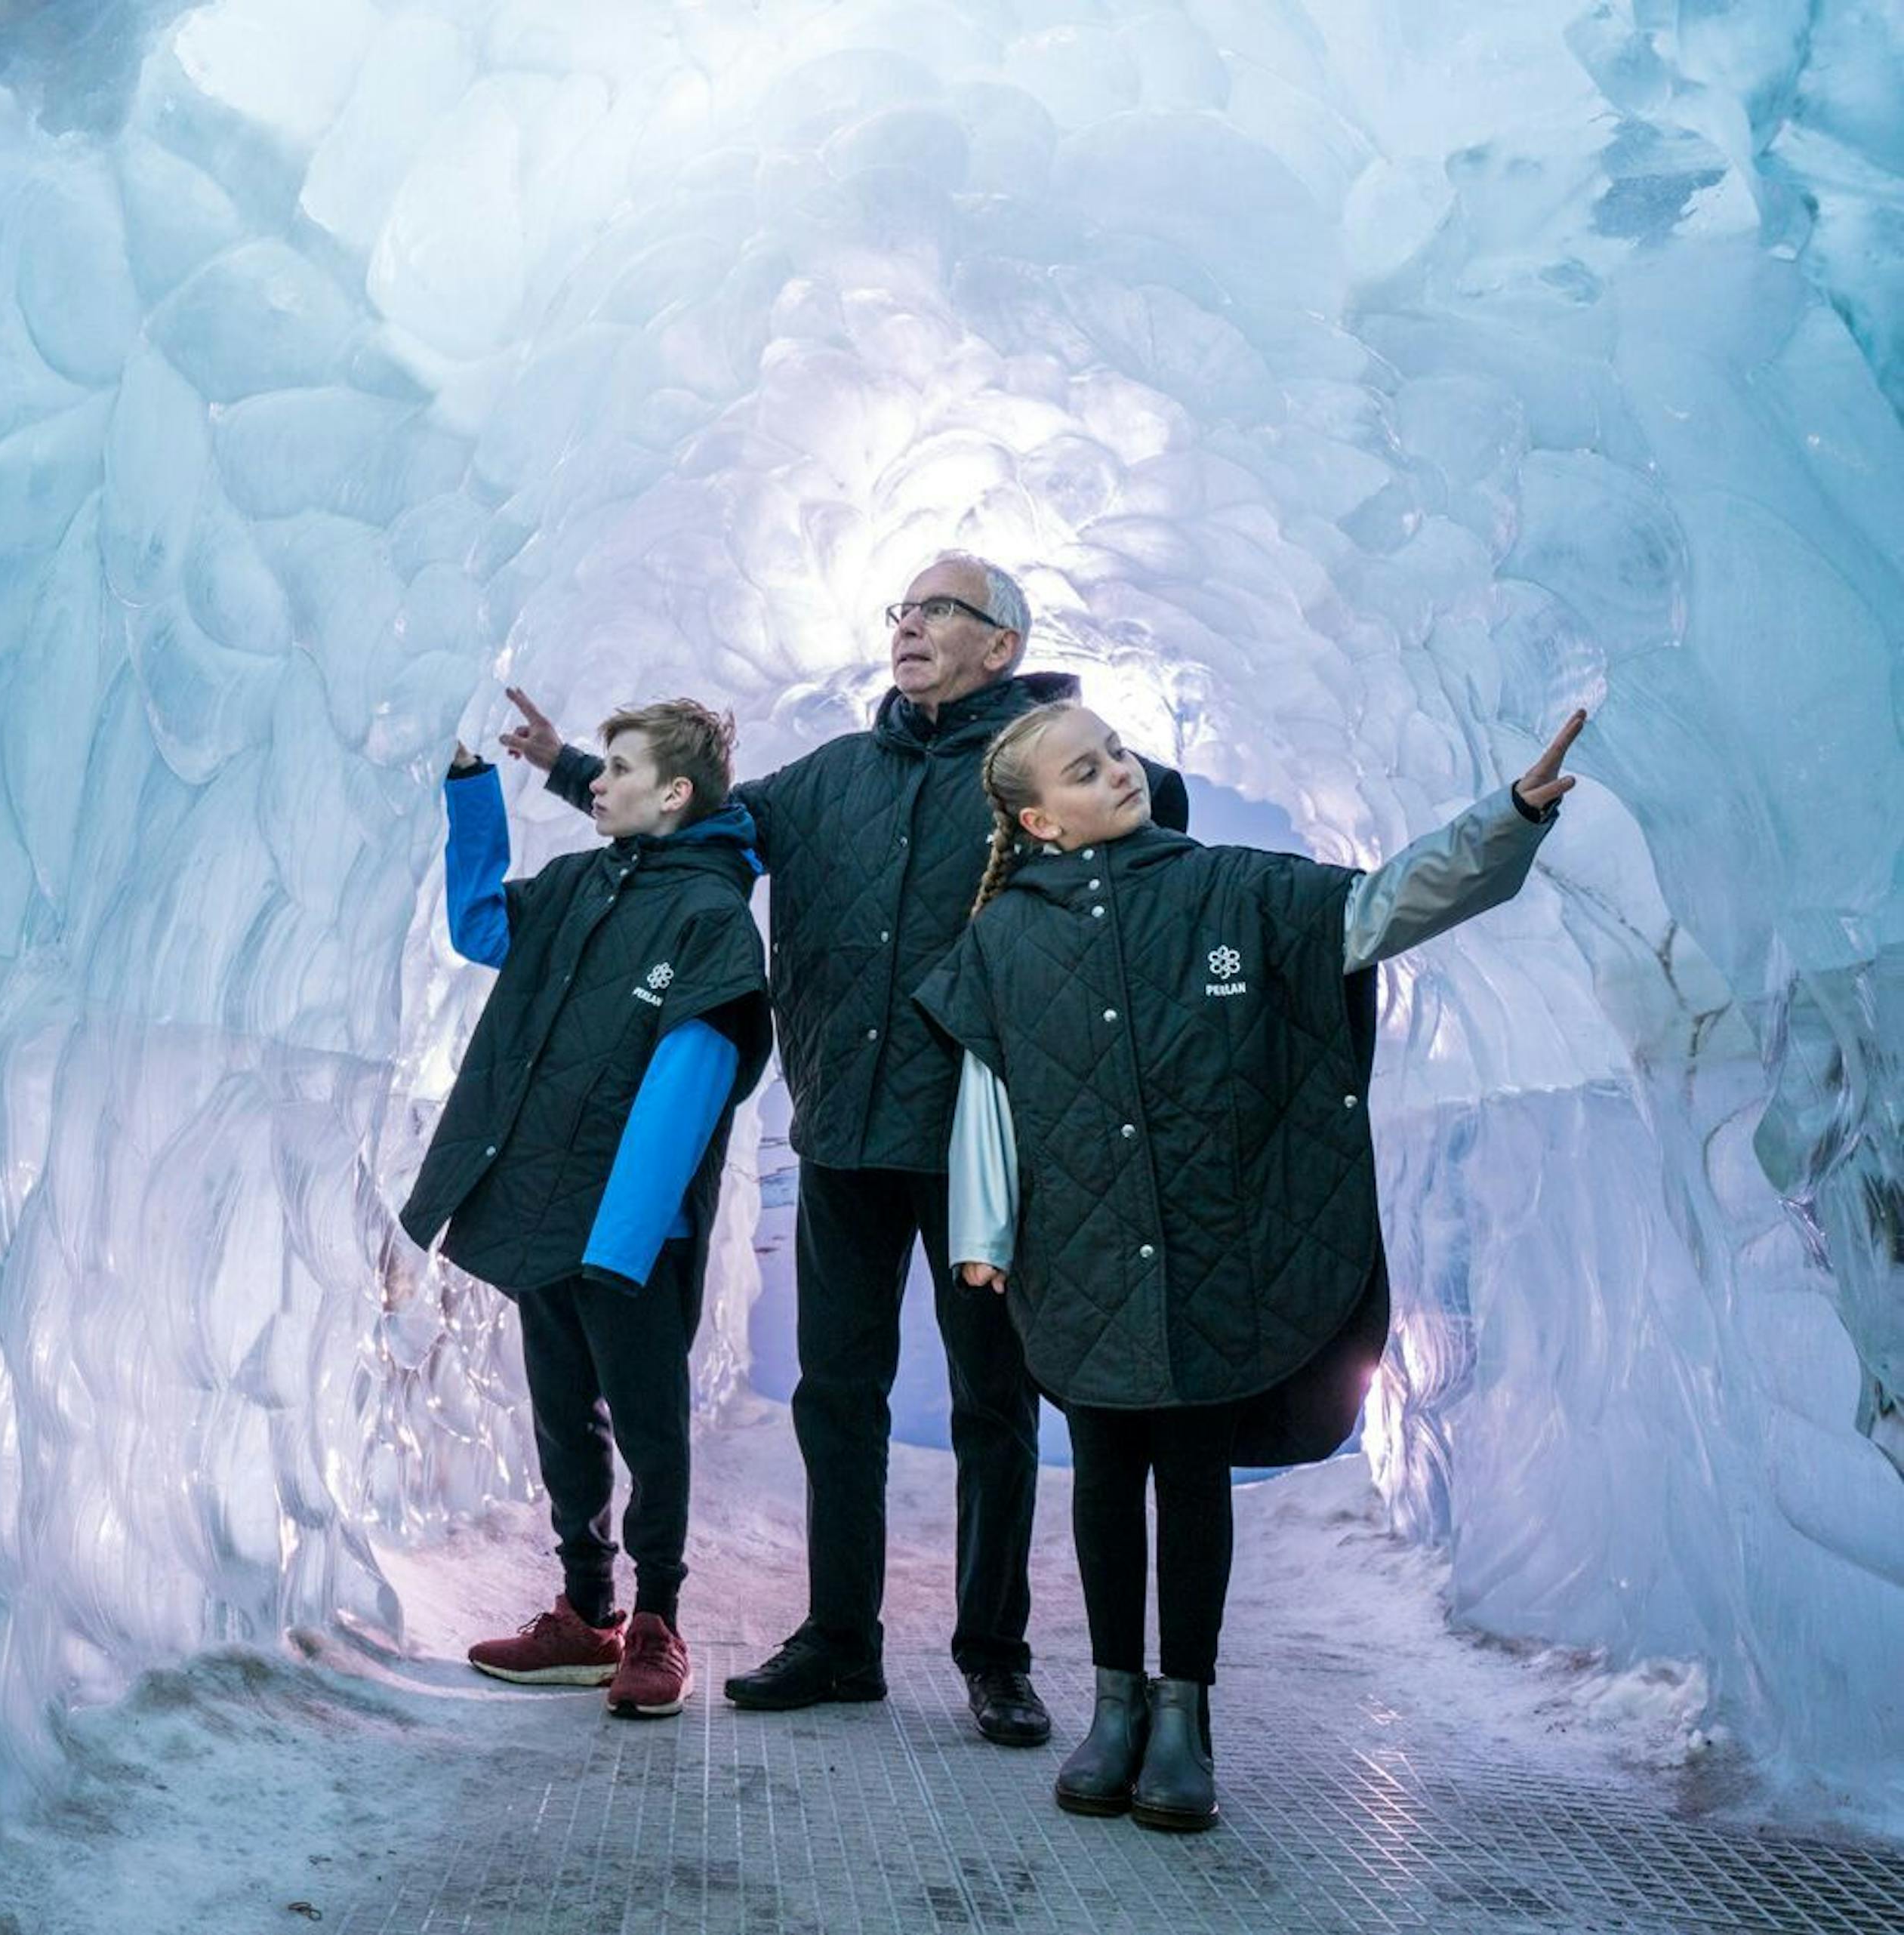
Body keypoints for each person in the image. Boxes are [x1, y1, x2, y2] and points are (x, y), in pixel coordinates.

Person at [500, 554, 1186, 1742]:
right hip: (848, 1134)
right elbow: (697, 825)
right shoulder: (826, 782)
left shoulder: (1034, 765)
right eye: (903, 611)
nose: (910, 627)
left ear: (1002, 646)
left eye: (939, 613)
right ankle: (839, 1640)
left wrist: (1077, 745)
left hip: (980, 1140)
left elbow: (1149, 808)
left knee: (993, 1405)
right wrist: (573, 768)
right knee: (838, 1397)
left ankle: (993, 1655)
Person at [919, 703, 1590, 1831]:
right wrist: (983, 1236)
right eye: (1085, 772)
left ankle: (1185, 1719)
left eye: (1119, 753)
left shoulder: (1238, 888)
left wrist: (1506, 820)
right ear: (1038, 819)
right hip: (1076, 1256)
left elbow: (1383, 907)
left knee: (1188, 1480)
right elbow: (987, 1096)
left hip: (1209, 1250)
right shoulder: (1001, 943)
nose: (1117, 773)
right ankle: (1115, 1708)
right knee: (1099, 1485)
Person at [400, 699, 774, 1720]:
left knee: (650, 1430)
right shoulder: (577, 884)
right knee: (566, 1420)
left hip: (632, 1228)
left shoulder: (708, 917)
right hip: (542, 1208)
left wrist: (626, 1235)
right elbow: (481, 928)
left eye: (615, 769)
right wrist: (472, 786)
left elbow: (699, 1069)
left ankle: (655, 1622)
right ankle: (583, 1612)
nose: (593, 784)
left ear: (675, 793)